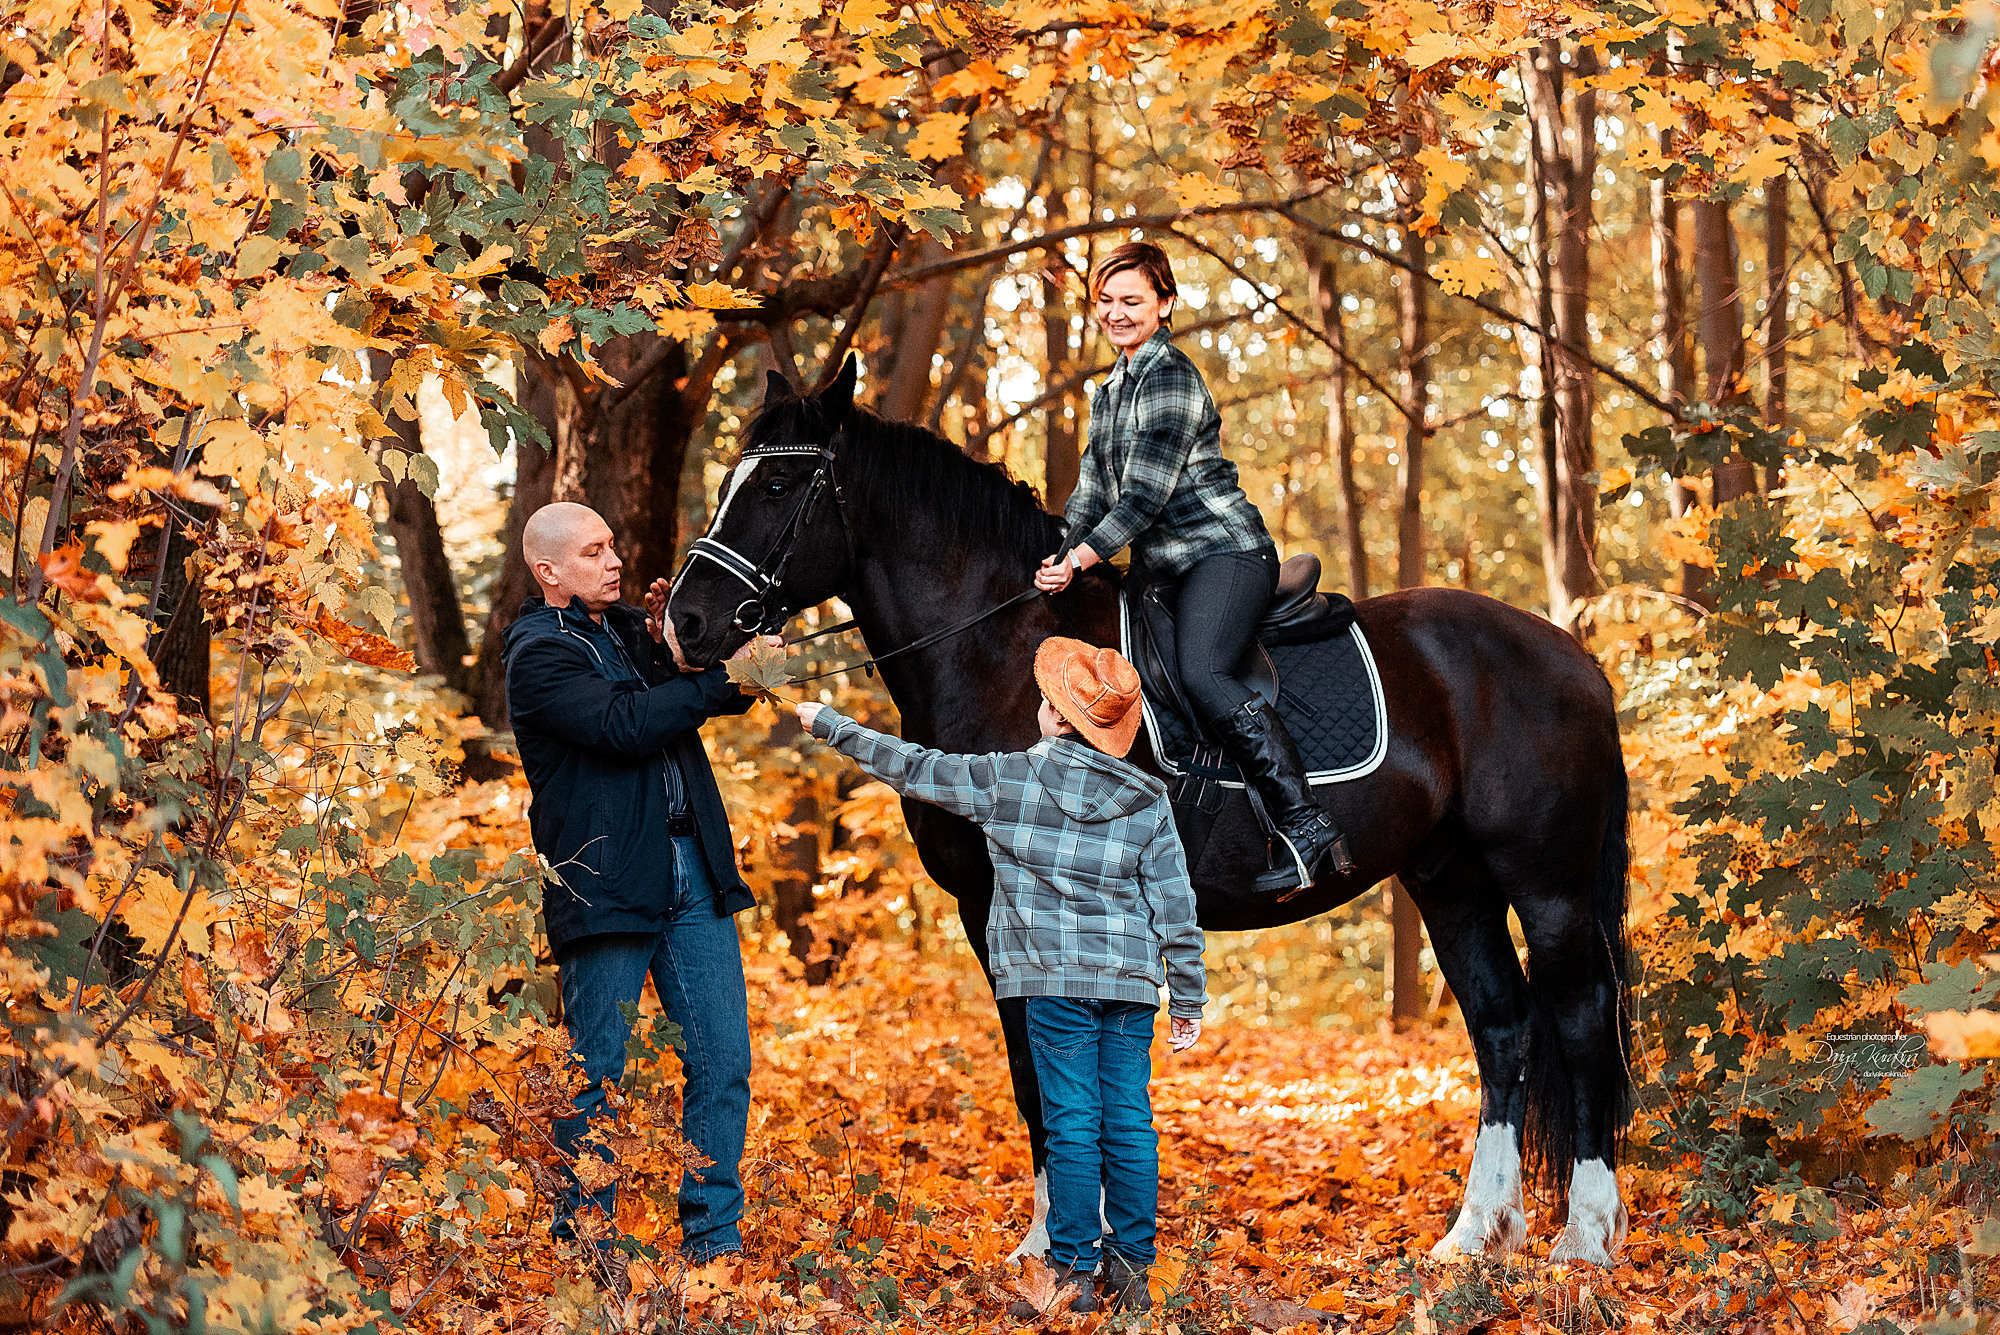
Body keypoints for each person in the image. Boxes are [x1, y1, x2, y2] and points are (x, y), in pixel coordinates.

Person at [794, 638, 1204, 1316]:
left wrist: (832, 724)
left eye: (1047, 702)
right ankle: (1135, 1267)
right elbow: (1175, 900)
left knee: (1071, 1120)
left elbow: (916, 767)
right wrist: (1186, 990)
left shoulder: (1009, 779)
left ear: (1056, 717)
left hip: (1051, 981)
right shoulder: (1147, 799)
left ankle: (1074, 1270)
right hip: (1130, 985)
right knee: (1130, 1121)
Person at [1033, 240, 1354, 895]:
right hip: (1160, 570)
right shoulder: (1110, 392)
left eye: (1132, 301)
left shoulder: (1170, 376)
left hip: (1223, 554)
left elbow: (1145, 496)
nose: (1116, 314)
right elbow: (1092, 491)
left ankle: (1308, 827)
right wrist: (1060, 552)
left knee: (1204, 671)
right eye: (1106, 302)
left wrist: (1088, 556)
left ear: (1165, 304)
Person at [501, 501, 768, 1269]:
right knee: (597, 1074)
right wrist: (716, 683)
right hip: (609, 880)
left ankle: (713, 1248)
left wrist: (686, 643)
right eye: (594, 552)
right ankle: (588, 1251)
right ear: (550, 571)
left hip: (695, 871)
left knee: (724, 1060)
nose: (615, 561)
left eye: (613, 545)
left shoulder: (621, 630)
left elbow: (681, 686)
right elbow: (627, 723)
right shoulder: (537, 652)